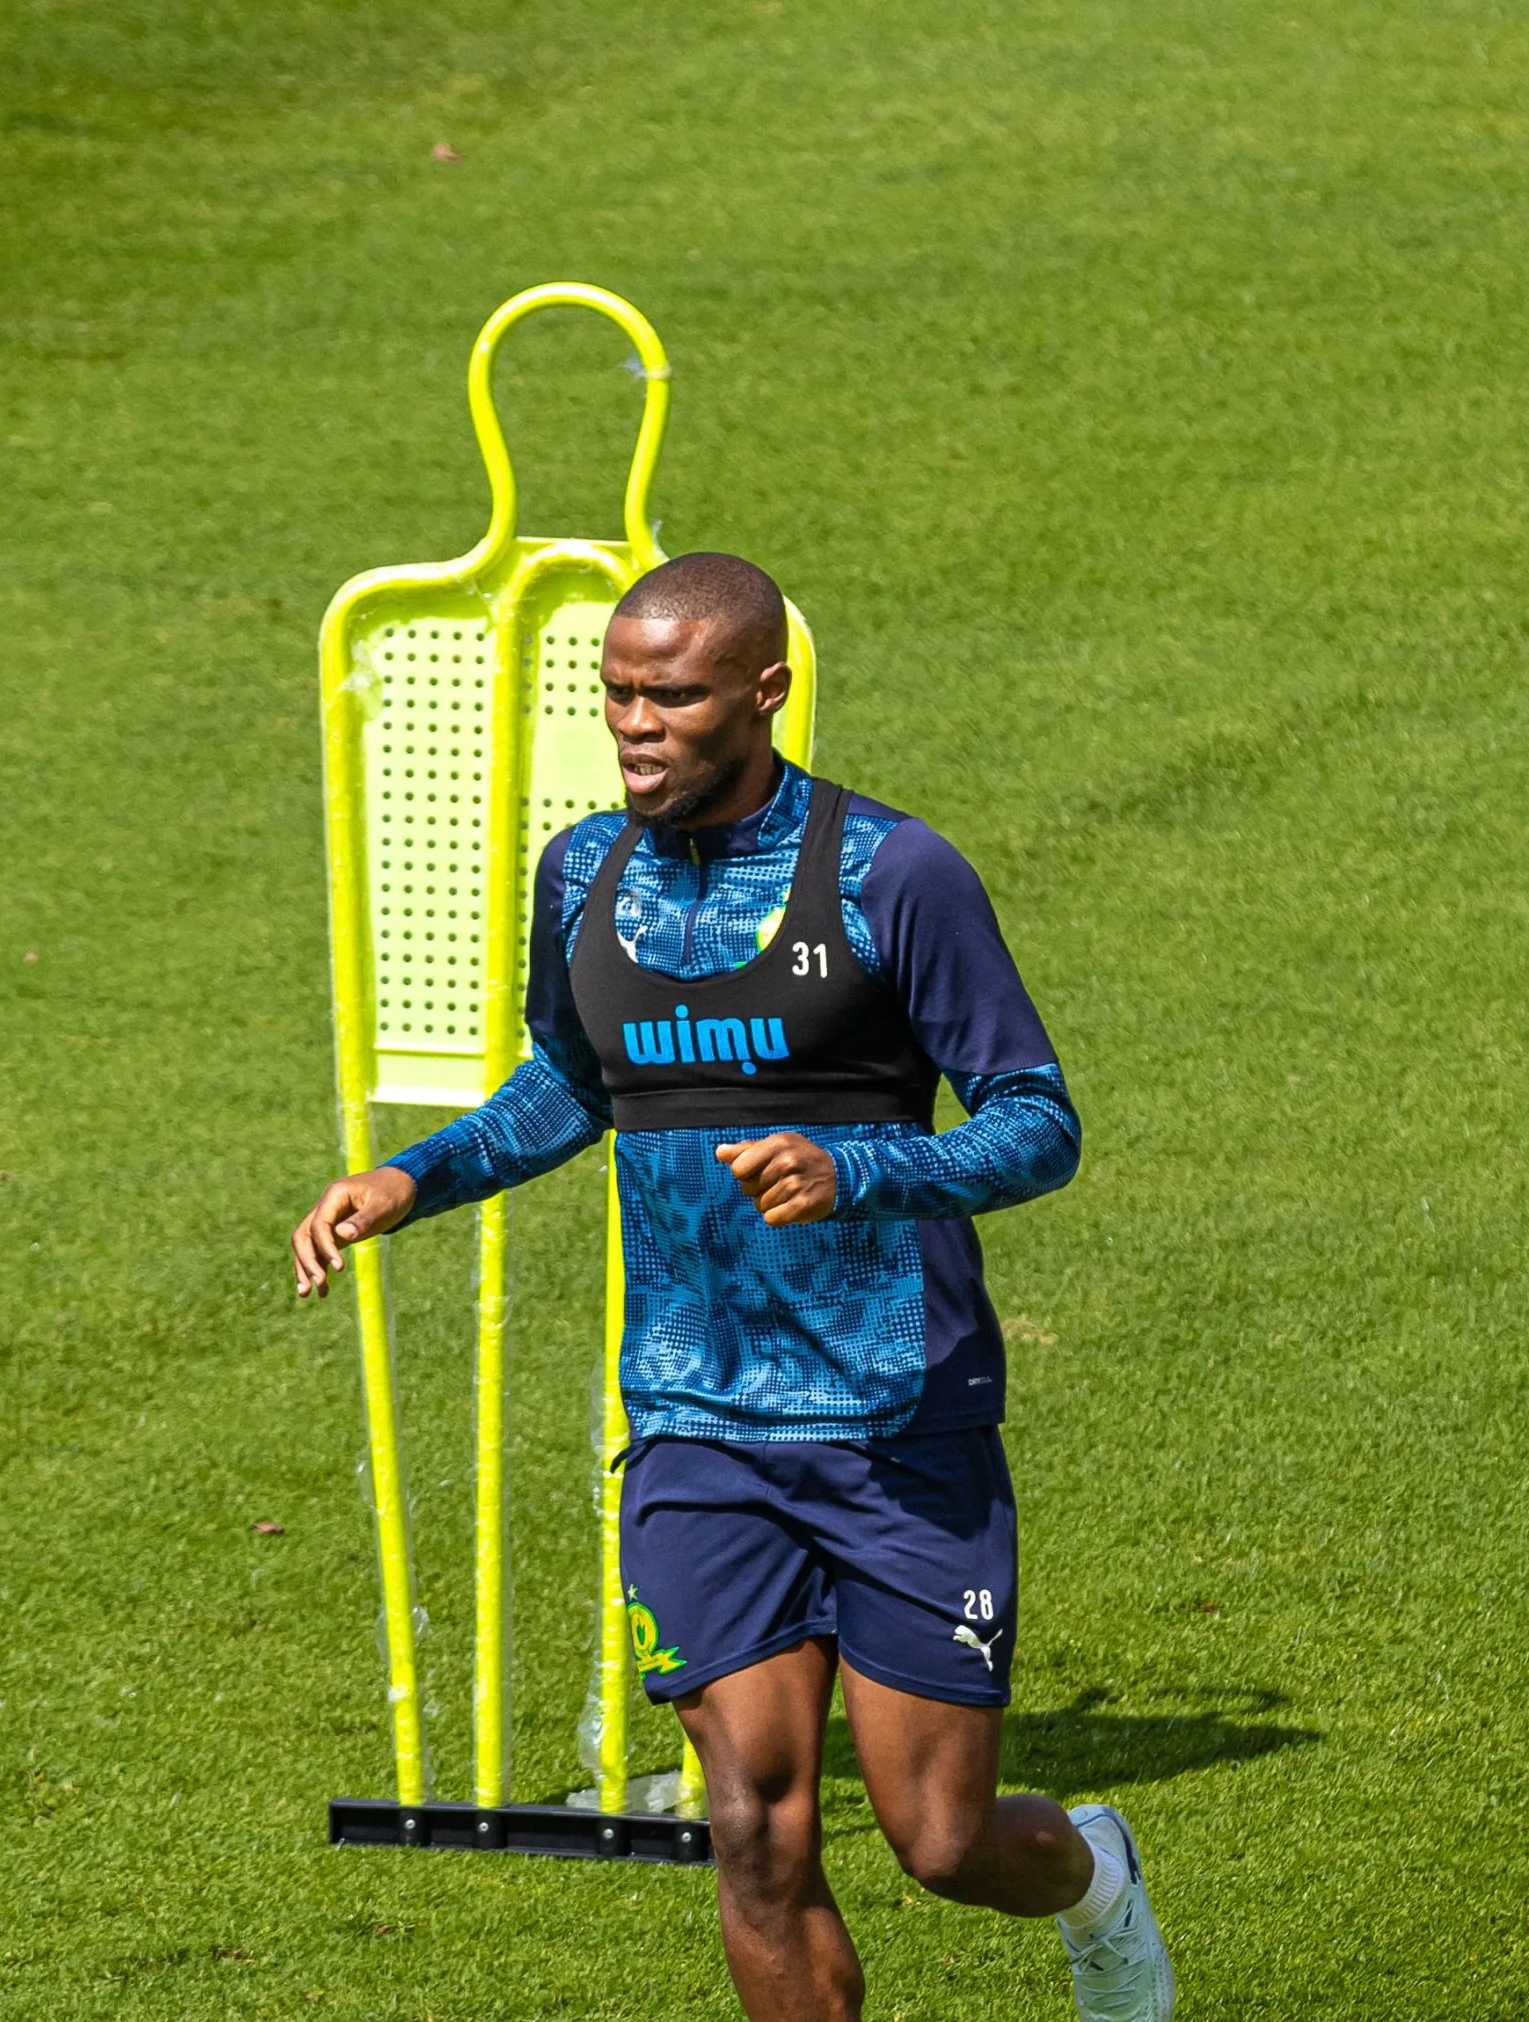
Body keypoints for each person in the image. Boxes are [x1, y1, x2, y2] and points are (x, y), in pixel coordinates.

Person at [290, 552, 1173, 2022]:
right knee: (756, 1832)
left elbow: (1037, 1119)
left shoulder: (897, 873)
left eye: (674, 695)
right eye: (618, 694)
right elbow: (571, 1088)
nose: (635, 724)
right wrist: (416, 1177)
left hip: (900, 1417)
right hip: (696, 1424)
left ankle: (1094, 1876)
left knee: (938, 1839)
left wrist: (864, 1167)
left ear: (763, 691)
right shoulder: (581, 872)